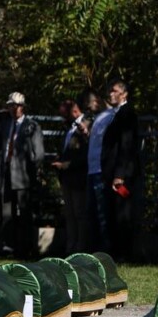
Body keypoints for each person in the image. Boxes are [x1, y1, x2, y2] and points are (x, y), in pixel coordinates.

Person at [97, 80, 142, 260]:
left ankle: (124, 253)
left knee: (122, 213)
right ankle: (116, 251)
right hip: (112, 172)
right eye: (110, 91)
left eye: (115, 91)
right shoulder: (116, 115)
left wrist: (119, 175)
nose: (111, 94)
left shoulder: (127, 114)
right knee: (113, 213)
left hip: (122, 175)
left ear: (124, 94)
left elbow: (126, 145)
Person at [0, 91, 44, 258]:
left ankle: (25, 247)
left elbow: (39, 153)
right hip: (6, 173)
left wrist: (32, 170)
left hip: (23, 175)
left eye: (16, 106)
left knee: (24, 213)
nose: (13, 109)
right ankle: (8, 246)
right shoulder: (5, 125)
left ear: (22, 107)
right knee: (6, 213)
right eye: (11, 106)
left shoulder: (31, 126)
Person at [52, 95, 90, 254]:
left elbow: (85, 153)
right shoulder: (69, 128)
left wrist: (67, 164)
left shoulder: (87, 124)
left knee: (79, 213)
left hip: (78, 176)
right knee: (70, 214)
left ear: (74, 111)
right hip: (66, 177)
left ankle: (80, 247)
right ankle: (71, 246)